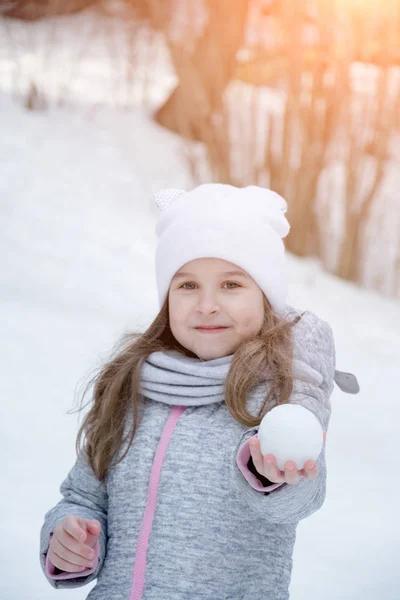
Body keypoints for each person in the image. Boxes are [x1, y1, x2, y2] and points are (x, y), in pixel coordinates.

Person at [39, 183, 356, 600]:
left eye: (231, 285)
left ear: (265, 298)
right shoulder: (134, 388)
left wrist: (274, 472)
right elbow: (82, 496)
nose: (206, 305)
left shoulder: (278, 391)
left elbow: (299, 500)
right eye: (187, 285)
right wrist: (69, 538)